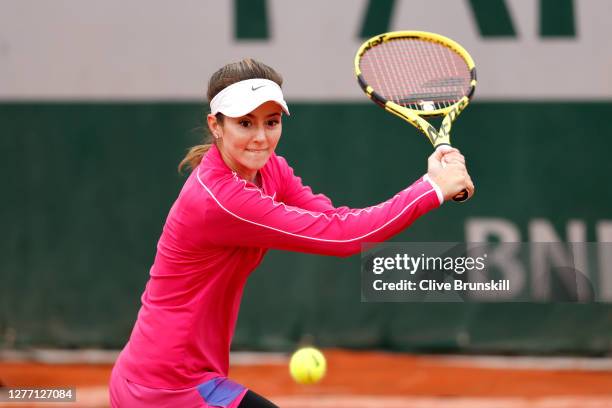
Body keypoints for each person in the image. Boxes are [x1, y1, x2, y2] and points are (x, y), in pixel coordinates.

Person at [109, 58, 474, 407]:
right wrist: (432, 188)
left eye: (271, 122)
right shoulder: (219, 199)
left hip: (187, 376)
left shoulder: (272, 171)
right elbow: (343, 239)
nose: (261, 138)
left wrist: (433, 184)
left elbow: (336, 219)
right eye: (245, 123)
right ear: (216, 125)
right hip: (164, 385)